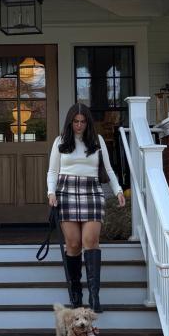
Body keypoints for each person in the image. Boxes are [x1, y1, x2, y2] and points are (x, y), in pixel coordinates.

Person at [46, 102, 125, 312]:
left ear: (88, 123)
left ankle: (94, 297)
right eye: (75, 122)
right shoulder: (60, 141)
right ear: (70, 122)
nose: (79, 126)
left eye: (82, 122)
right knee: (72, 244)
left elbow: (108, 168)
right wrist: (50, 192)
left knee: (90, 241)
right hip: (66, 192)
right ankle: (76, 293)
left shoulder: (97, 141)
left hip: (92, 192)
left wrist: (118, 190)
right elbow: (52, 171)